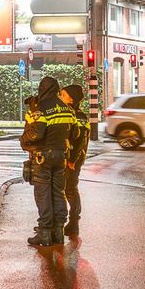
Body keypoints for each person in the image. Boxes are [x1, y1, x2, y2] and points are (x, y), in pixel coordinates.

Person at [21, 76, 76, 247]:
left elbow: (36, 134)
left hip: (42, 157)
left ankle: (44, 233)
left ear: (42, 89)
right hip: (61, 157)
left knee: (43, 193)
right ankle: (58, 232)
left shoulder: (41, 108)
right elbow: (75, 133)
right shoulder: (67, 109)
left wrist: (23, 140)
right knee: (58, 192)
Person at [61, 84, 89, 237]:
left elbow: (81, 141)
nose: (61, 98)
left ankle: (74, 223)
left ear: (72, 99)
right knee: (68, 189)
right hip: (70, 158)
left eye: (63, 95)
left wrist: (72, 160)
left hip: (74, 159)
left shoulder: (79, 116)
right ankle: (71, 223)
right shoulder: (70, 113)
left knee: (70, 189)